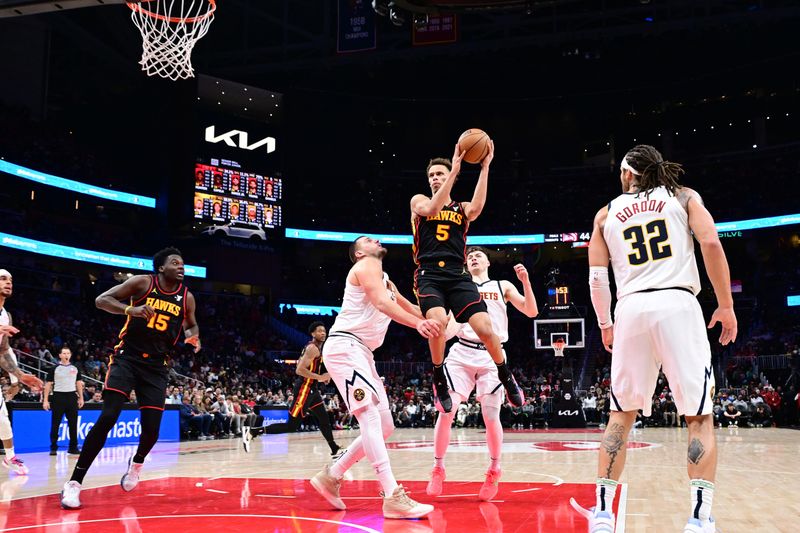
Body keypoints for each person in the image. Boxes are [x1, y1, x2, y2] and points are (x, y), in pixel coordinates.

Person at [574, 145, 738, 533]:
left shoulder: (605, 213)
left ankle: (601, 514)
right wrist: (726, 304)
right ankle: (699, 520)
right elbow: (711, 244)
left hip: (630, 310)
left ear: (629, 174)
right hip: (677, 303)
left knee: (620, 416)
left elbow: (597, 279)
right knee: (698, 416)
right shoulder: (683, 196)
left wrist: (604, 324)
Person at [309, 236, 440, 519]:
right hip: (346, 345)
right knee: (369, 417)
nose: (376, 239)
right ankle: (392, 495)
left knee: (384, 425)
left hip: (362, 352)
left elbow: (413, 310)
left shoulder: (386, 279)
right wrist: (419, 324)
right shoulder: (366, 264)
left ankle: (332, 474)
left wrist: (449, 314)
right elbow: (382, 304)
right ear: (359, 253)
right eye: (368, 240)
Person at [60, 247, 201, 509]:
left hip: (158, 367)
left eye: (183, 263)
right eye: (174, 263)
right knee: (109, 416)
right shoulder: (142, 283)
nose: (181, 267)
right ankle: (74, 483)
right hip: (127, 358)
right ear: (161, 268)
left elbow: (191, 323)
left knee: (152, 430)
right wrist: (130, 310)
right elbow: (101, 300)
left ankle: (136, 464)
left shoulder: (187, 297)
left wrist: (193, 336)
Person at [410, 142, 523, 413]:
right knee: (437, 323)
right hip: (429, 274)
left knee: (485, 328)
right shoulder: (419, 201)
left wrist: (484, 167)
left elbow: (478, 207)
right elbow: (433, 209)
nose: (435, 178)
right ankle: (438, 375)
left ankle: (506, 375)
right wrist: (454, 172)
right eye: (432, 175)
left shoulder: (461, 209)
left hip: (457, 274)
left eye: (440, 173)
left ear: (451, 176)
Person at [426, 246, 538, 501]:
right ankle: (438, 467)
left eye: (478, 255)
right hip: (462, 352)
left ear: (488, 261)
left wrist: (526, 282)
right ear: (465, 265)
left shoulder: (502, 285)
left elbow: (531, 311)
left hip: (492, 354)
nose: (474, 258)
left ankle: (494, 469)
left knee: (490, 415)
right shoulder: (459, 288)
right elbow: (452, 327)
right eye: (470, 256)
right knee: (446, 411)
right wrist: (436, 329)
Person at [242, 321, 343, 457]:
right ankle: (254, 431)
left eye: (324, 330)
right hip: (304, 389)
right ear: (313, 333)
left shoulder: (319, 348)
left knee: (324, 418)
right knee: (291, 425)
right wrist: (319, 377)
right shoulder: (312, 348)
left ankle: (334, 448)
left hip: (312, 389)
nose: (323, 333)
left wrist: (323, 377)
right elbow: (299, 370)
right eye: (319, 331)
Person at [0, 269, 45, 475]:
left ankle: (10, 457)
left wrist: (19, 376)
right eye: (2, 279)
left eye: (10, 280)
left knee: (2, 418)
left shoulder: (6, 316)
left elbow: (2, 350)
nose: (8, 283)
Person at [43, 346, 85, 455]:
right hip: (58, 397)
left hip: (71, 396)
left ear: (70, 355)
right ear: (60, 355)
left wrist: (81, 397)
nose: (66, 355)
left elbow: (78, 383)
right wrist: (45, 400)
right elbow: (48, 384)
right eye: (64, 353)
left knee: (73, 424)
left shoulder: (75, 368)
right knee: (55, 423)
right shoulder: (54, 368)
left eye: (68, 353)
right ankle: (53, 447)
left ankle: (73, 447)